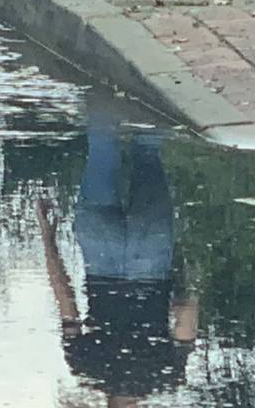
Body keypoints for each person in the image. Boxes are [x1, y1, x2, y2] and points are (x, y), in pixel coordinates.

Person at [40, 100, 196, 407]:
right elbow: (65, 299)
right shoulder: (86, 369)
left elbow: (186, 311)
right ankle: (98, 72)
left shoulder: (167, 374)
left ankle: (153, 72)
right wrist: (47, 235)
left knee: (148, 148)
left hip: (151, 261)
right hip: (101, 255)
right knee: (101, 146)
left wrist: (183, 270)